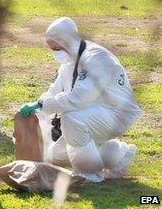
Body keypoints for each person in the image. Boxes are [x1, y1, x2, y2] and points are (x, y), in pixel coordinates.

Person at [19, 17, 141, 182]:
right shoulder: (70, 61)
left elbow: (79, 99)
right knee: (53, 157)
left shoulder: (97, 58)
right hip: (94, 112)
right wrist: (38, 106)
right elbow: (54, 90)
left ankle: (88, 174)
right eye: (52, 49)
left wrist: (42, 105)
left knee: (72, 118)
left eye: (56, 48)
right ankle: (118, 156)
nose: (55, 53)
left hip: (117, 113)